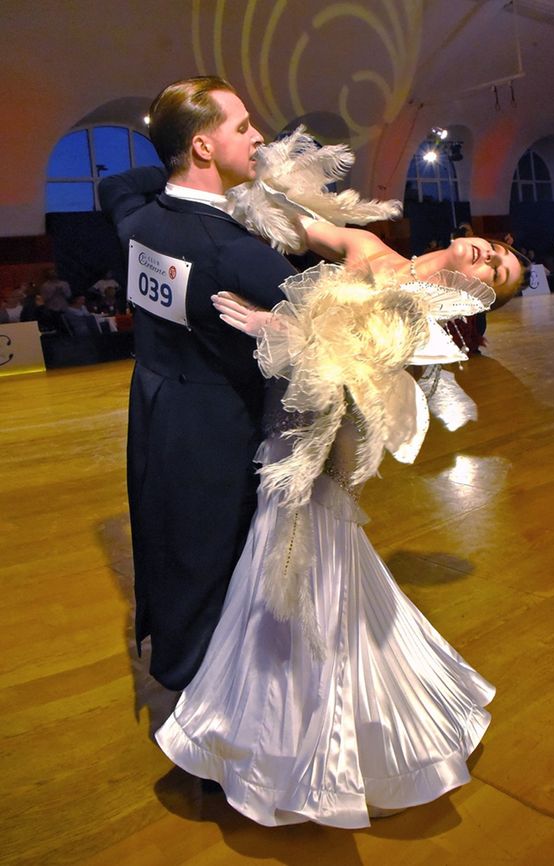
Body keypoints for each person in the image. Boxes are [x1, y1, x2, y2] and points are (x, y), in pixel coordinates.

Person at [155, 223, 522, 827]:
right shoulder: (365, 247)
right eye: (497, 251)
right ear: (470, 236)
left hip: (320, 449)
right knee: (310, 575)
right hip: (281, 423)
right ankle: (284, 741)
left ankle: (292, 755)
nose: (492, 259)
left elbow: (350, 368)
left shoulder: (421, 316)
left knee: (296, 574)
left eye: (497, 274)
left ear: (479, 296)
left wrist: (271, 328)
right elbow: (293, 216)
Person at [98, 76, 296, 691]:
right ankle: (206, 716)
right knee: (215, 562)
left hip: (155, 409)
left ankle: (177, 671)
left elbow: (115, 183)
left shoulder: (139, 222)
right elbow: (331, 312)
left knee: (168, 544)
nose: (259, 135)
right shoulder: (229, 251)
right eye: (242, 126)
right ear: (205, 148)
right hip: (215, 429)